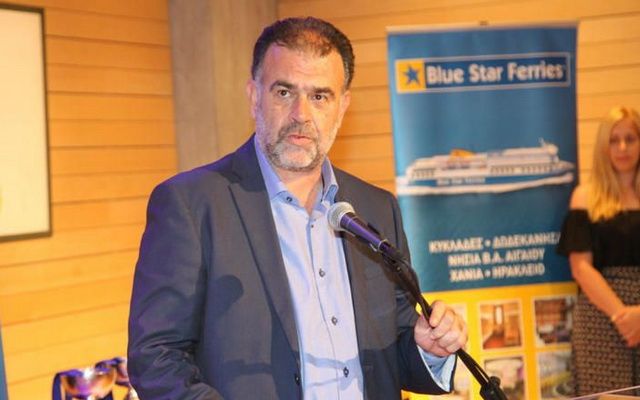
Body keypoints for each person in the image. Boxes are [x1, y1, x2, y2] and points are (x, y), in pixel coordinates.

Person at [128, 16, 467, 400]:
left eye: (320, 96)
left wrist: (428, 348)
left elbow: (395, 347)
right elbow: (155, 358)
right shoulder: (191, 205)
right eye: (284, 92)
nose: (301, 115)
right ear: (254, 96)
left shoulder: (376, 208)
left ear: (343, 106)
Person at [557, 106, 640, 395]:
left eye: (630, 138)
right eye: (614, 140)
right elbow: (581, 268)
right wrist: (623, 316)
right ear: (603, 146)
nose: (622, 147)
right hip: (601, 318)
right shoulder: (586, 196)